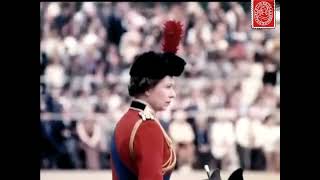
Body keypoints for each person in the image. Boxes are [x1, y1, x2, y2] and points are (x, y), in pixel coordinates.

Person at [110, 20, 186, 180]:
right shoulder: (147, 127)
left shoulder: (126, 120)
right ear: (148, 88)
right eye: (167, 87)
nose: (173, 94)